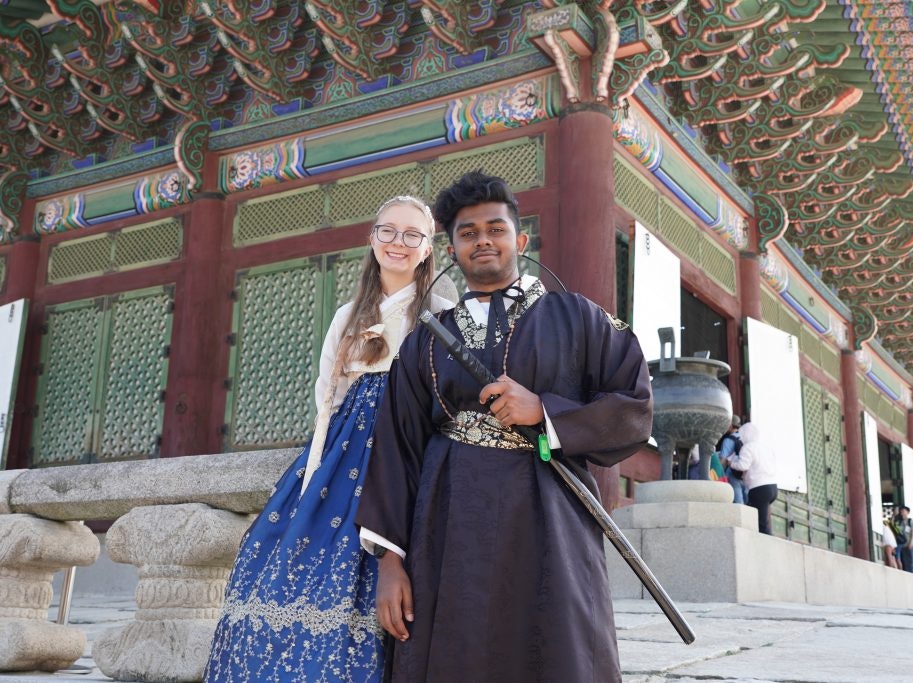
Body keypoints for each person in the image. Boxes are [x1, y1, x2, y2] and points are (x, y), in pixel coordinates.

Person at [355, 171, 653, 681]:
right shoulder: (427, 339)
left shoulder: (580, 317)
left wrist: (545, 412)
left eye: (496, 228)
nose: (483, 241)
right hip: (447, 519)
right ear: (450, 249)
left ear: (521, 238)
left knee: (557, 647)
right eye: (468, 234)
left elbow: (634, 406)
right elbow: (397, 447)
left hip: (550, 513)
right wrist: (389, 562)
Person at [204, 196, 453, 682]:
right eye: (388, 231)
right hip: (344, 456)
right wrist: (313, 477)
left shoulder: (442, 314)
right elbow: (328, 401)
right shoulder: (348, 316)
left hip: (410, 449)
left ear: (428, 249)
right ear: (372, 239)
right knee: (282, 567)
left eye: (411, 235)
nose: (398, 243)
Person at [733, 422, 777, 535]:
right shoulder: (765, 446)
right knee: (762, 517)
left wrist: (731, 462)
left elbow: (743, 466)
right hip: (772, 486)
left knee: (760, 523)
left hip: (759, 488)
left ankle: (765, 546)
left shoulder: (747, 447)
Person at [718, 415, 746, 503]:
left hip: (733, 473)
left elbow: (723, 460)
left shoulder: (729, 440)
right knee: (747, 502)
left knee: (738, 503)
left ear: (730, 426)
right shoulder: (745, 437)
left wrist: (718, 476)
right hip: (746, 473)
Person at [896, 505, 913, 574]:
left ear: (907, 512)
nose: (902, 513)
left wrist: (911, 542)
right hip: (903, 545)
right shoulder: (899, 522)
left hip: (911, 544)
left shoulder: (910, 521)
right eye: (901, 511)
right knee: (906, 563)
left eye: (904, 511)